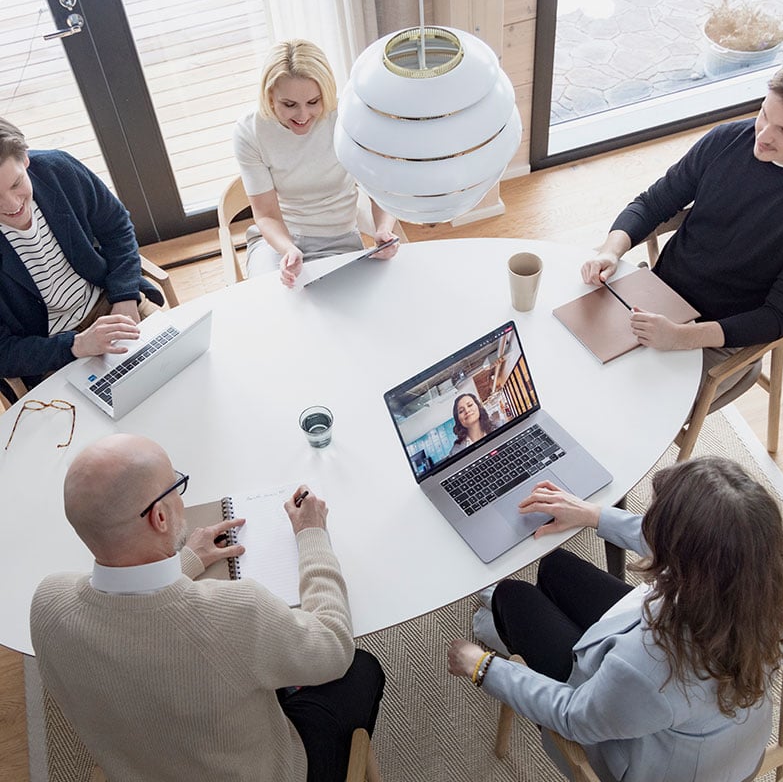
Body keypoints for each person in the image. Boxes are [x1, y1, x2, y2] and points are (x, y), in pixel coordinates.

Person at [30, 434, 385, 782]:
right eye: (175, 485)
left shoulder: (47, 602)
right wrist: (311, 534)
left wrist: (183, 561)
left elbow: (132, 631)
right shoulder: (235, 612)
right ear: (160, 518)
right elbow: (334, 647)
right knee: (363, 667)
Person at [448, 457, 783, 782]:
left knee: (513, 597)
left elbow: (573, 716)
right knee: (555, 567)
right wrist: (595, 515)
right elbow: (706, 545)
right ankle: (506, 619)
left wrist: (481, 667)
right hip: (721, 727)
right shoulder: (780, 561)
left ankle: (500, 628)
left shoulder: (654, 669)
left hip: (647, 755)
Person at [581, 53, 783, 402]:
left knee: (626, 409)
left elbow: (777, 318)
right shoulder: (726, 140)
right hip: (659, 294)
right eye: (763, 114)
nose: (763, 135)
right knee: (574, 365)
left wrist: (681, 337)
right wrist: (612, 249)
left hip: (719, 332)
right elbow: (652, 203)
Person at [0, 118, 163, 391]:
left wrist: (124, 297)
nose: (12, 205)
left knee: (183, 371)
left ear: (26, 159)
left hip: (110, 302)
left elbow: (117, 228)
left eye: (16, 184)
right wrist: (76, 345)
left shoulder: (59, 169)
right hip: (47, 350)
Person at [233, 38, 399, 288]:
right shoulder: (251, 131)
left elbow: (382, 190)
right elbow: (266, 214)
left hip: (339, 236)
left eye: (313, 102)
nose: (303, 116)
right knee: (275, 307)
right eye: (289, 105)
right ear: (269, 97)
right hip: (278, 241)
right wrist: (288, 250)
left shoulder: (347, 115)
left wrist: (384, 230)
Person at [448, 392, 496, 457]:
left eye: (470, 405)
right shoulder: (455, 453)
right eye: (461, 411)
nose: (467, 411)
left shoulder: (500, 426)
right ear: (458, 420)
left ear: (479, 407)